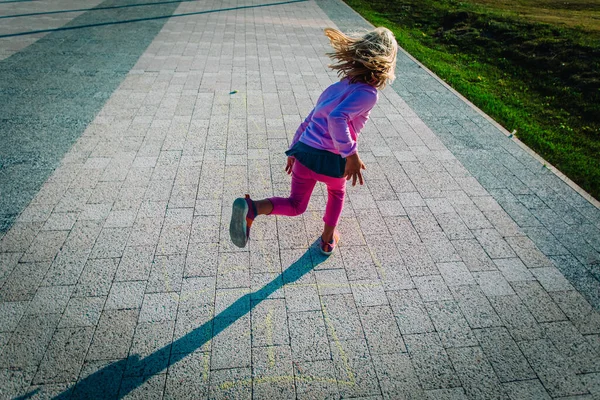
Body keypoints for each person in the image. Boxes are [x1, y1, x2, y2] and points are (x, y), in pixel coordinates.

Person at [230, 27, 398, 255]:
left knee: (295, 205)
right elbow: (336, 117)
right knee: (337, 193)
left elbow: (310, 119)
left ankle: (253, 208)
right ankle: (328, 238)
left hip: (305, 154)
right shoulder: (368, 93)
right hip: (331, 160)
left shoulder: (336, 87)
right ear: (386, 63)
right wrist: (352, 155)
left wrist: (294, 150)